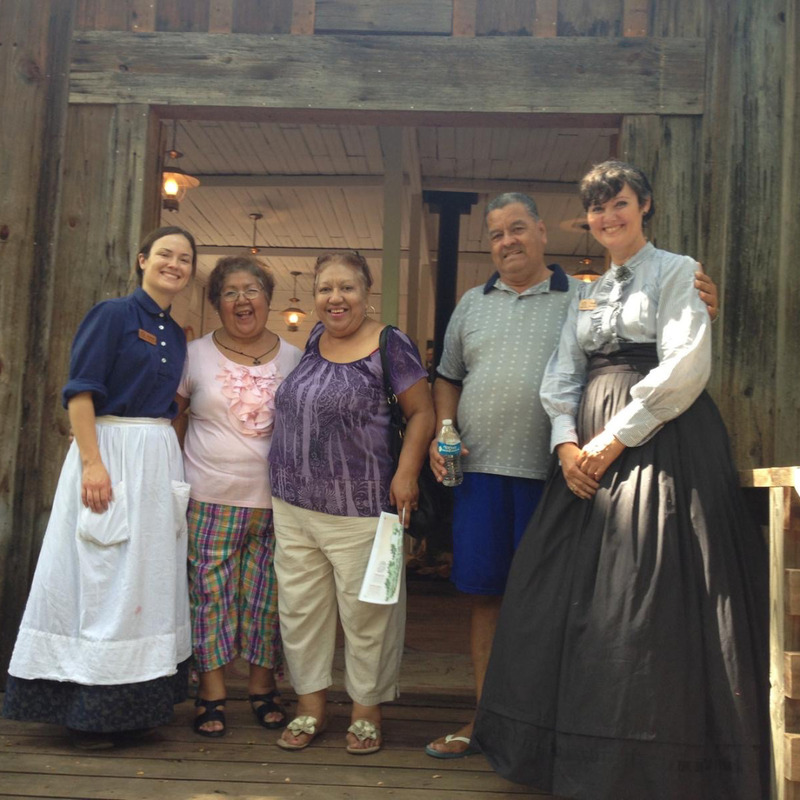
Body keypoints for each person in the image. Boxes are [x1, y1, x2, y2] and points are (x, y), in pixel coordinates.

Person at [474, 161, 768, 799]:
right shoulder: (588, 291)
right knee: (562, 597)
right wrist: (565, 442)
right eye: (598, 208)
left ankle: (647, 765)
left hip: (663, 443)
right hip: (585, 454)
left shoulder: (677, 271)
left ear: (645, 205)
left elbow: (685, 365)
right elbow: (563, 370)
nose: (608, 217)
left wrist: (612, 439)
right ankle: (571, 756)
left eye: (620, 204)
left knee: (647, 596)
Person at [425, 192, 719, 759]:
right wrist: (444, 428)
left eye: (517, 228)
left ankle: (544, 730)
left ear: (542, 232)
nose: (507, 242)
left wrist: (702, 298)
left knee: (555, 601)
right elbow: (448, 377)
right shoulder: (470, 303)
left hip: (558, 475)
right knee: (486, 598)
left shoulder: (584, 295)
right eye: (496, 234)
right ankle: (487, 719)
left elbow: (649, 326)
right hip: (481, 473)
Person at [2, 226, 197, 749]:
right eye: (165, 254)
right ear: (142, 260)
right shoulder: (113, 315)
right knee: (99, 574)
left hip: (155, 459)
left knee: (146, 581)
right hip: (110, 452)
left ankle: (135, 707)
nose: (174, 264)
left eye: (184, 258)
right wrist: (92, 463)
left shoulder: (176, 334)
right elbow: (81, 391)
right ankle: (84, 711)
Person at [268, 252, 435, 754]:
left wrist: (406, 474)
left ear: (366, 292)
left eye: (347, 288)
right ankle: (310, 707)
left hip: (361, 507)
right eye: (325, 289)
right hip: (293, 504)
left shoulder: (390, 344)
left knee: (368, 617)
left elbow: (422, 413)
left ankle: (366, 712)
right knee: (301, 612)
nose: (335, 298)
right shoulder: (315, 338)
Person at [175, 255, 302, 738]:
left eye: (252, 290)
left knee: (268, 599)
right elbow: (173, 421)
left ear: (268, 299)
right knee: (210, 597)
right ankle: (211, 693)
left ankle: (262, 689)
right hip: (208, 497)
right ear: (216, 303)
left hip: (277, 502)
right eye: (230, 292)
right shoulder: (193, 355)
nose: (242, 300)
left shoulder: (295, 358)